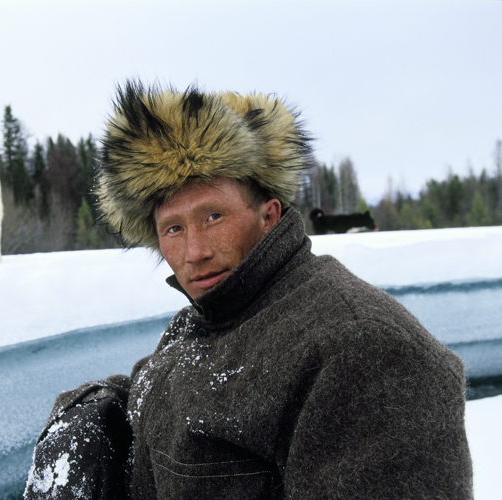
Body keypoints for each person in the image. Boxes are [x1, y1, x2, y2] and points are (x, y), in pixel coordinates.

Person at [24, 82, 473, 499]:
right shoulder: (211, 316)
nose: (193, 251)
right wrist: (95, 415)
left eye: (213, 217)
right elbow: (173, 400)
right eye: (173, 228)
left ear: (269, 215)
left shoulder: (363, 349)